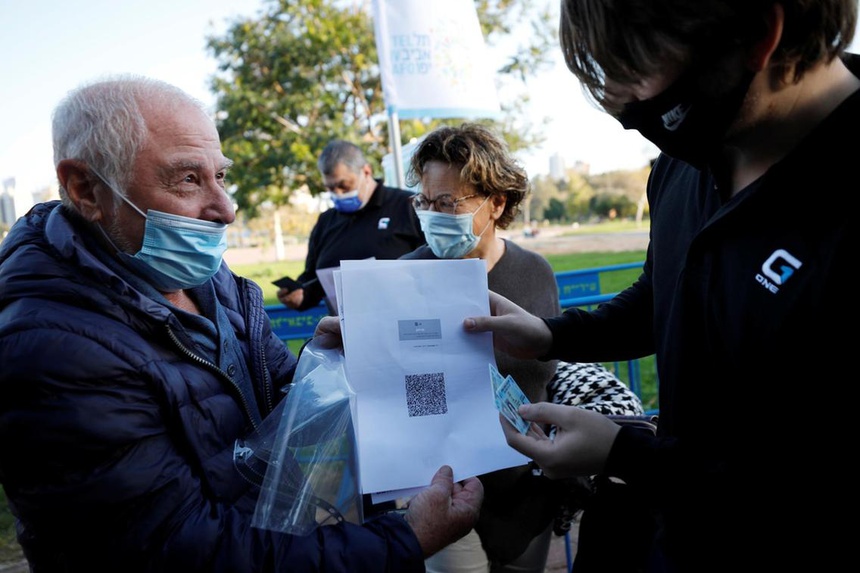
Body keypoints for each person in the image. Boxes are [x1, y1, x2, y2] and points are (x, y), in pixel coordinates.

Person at [0, 75, 482, 572]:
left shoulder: (206, 279)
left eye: (221, 176)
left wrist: (321, 359)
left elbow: (275, 410)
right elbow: (186, 550)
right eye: (188, 179)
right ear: (87, 189)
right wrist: (404, 539)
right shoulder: (54, 349)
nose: (226, 210)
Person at [461, 1, 859, 572]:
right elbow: (661, 297)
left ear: (758, 34)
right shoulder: (682, 162)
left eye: (638, 72)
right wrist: (549, 335)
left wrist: (625, 453)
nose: (623, 108)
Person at [400, 123, 644, 573]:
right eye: (425, 202)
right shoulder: (404, 276)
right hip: (444, 484)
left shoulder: (534, 271)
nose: (432, 215)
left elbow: (544, 371)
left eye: (448, 203)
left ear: (496, 203)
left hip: (527, 485)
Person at [276, 139, 425, 314]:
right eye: (330, 188)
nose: (338, 193)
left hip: (404, 318)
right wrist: (300, 296)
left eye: (344, 185)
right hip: (343, 326)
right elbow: (312, 279)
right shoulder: (326, 221)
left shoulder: (408, 206)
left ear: (366, 171)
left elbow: (432, 264)